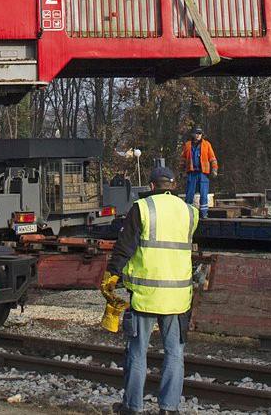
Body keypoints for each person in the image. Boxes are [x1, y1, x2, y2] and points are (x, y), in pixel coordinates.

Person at [102, 165, 200, 415]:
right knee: (175, 354)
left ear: (152, 186)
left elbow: (125, 246)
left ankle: (132, 407)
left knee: (137, 353)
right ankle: (169, 409)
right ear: (174, 186)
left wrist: (112, 274)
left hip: (145, 297)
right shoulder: (190, 212)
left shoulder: (142, 208)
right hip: (178, 297)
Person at [178, 126, 218, 212]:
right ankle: (188, 213)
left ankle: (204, 213)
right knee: (189, 194)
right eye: (196, 133)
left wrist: (214, 169)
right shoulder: (188, 145)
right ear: (193, 134)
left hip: (203, 173)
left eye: (200, 133)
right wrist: (181, 171)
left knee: (204, 194)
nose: (198, 135)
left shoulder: (207, 144)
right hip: (191, 173)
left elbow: (212, 158)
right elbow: (183, 159)